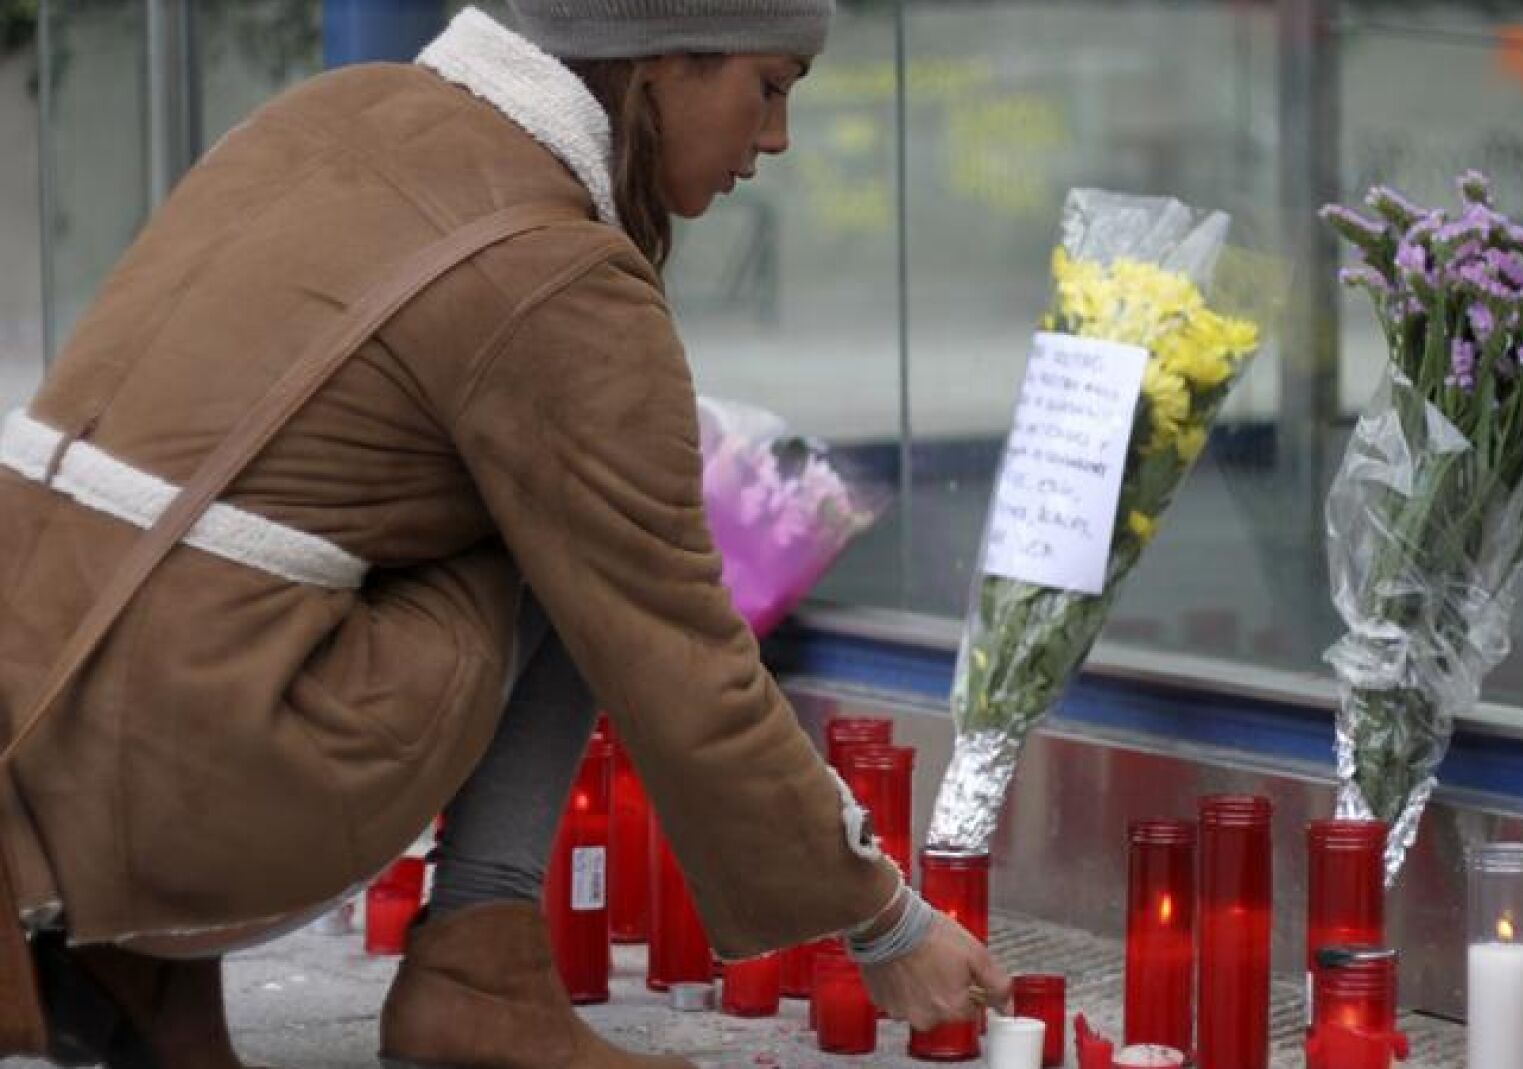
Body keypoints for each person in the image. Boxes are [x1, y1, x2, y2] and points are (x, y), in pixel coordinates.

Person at [0, 1, 1010, 1066]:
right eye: (769, 86)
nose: (775, 141)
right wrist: (886, 921)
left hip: (41, 740)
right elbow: (681, 655)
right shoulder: (556, 281)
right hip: (193, 781)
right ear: (658, 59)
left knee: (283, 523)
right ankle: (477, 972)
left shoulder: (329, 116)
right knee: (580, 524)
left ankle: (147, 982)